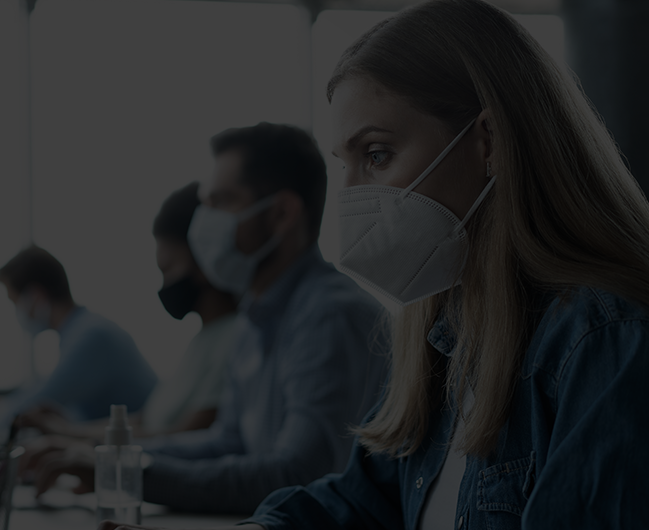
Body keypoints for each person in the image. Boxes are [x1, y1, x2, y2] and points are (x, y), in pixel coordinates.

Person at [101, 1, 649, 529]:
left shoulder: (604, 339)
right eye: (346, 163)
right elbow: (362, 501)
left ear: (489, 141)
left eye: (377, 155)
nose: (350, 197)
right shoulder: (445, 333)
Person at [34, 123, 389, 515]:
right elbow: (226, 442)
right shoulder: (255, 317)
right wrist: (107, 455)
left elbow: (297, 474)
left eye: (221, 202)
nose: (203, 222)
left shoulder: (328, 315)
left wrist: (126, 470)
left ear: (282, 213)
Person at [18, 182, 241, 444]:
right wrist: (65, 431)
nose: (164, 285)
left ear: (205, 261)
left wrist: (72, 439)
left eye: (168, 269)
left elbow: (187, 438)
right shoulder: (201, 341)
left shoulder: (233, 338)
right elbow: (143, 422)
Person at [0, 246, 158, 430]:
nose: (17, 313)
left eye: (15, 303)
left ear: (36, 296)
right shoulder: (78, 331)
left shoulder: (92, 336)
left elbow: (43, 397)